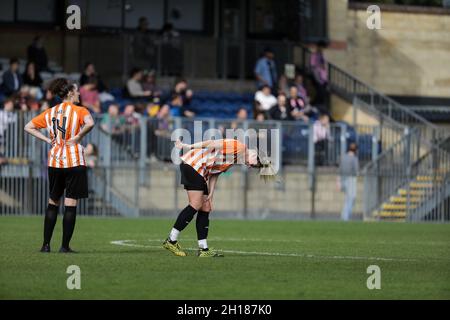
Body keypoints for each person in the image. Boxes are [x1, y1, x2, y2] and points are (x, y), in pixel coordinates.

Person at [162, 138, 275, 257]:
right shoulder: (239, 147)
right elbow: (212, 143)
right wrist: (188, 146)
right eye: (254, 164)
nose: (250, 166)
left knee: (206, 207)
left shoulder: (235, 159)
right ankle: (171, 240)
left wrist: (211, 193)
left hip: (201, 170)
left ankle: (203, 250)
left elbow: (215, 173)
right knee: (195, 204)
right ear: (254, 154)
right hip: (194, 165)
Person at [23, 78, 95, 253]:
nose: (79, 94)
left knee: (53, 202)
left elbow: (28, 126)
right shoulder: (80, 110)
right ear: (70, 92)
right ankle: (64, 246)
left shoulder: (50, 112)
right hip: (74, 160)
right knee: (70, 203)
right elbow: (90, 123)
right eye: (77, 91)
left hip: (55, 161)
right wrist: (78, 138)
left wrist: (48, 139)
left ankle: (45, 245)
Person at [338, 143, 359, 221]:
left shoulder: (343, 157)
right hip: (351, 180)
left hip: (343, 179)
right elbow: (356, 171)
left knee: (347, 199)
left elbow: (339, 170)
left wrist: (338, 181)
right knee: (351, 199)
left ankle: (343, 216)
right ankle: (345, 217)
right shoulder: (354, 158)